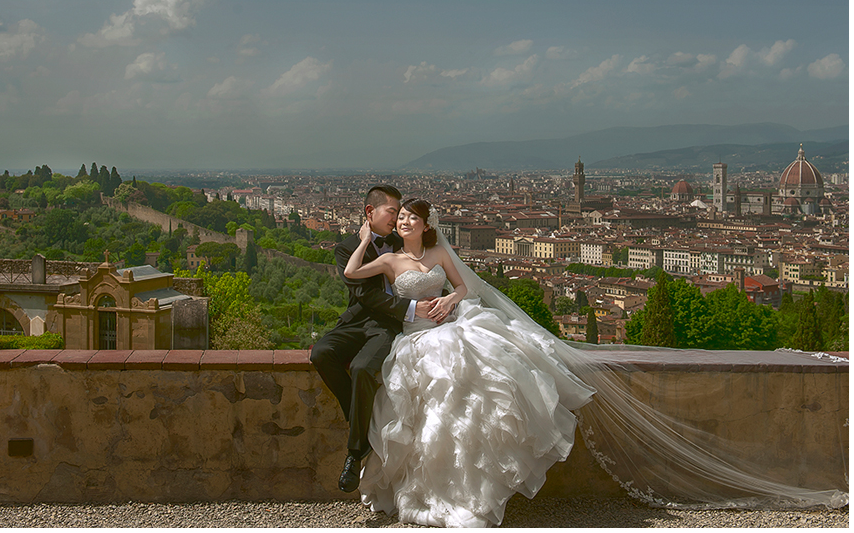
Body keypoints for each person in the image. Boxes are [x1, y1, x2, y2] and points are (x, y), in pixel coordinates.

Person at [343, 198, 847, 527]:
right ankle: (434, 483)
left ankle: (469, 485)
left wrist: (452, 302)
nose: (404, 222)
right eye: (399, 218)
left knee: (480, 378)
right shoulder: (388, 258)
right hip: (416, 335)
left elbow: (463, 286)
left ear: (426, 224)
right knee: (434, 397)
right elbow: (351, 273)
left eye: (410, 217)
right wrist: (367, 236)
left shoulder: (437, 254)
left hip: (449, 324)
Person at [310, 185, 437, 494]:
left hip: (388, 323)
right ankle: (361, 420)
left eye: (399, 213)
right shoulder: (346, 247)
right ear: (370, 213)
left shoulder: (402, 241)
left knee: (364, 368)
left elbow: (428, 266)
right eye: (392, 212)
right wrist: (409, 307)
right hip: (358, 319)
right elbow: (363, 294)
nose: (397, 218)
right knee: (321, 354)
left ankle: (355, 454)